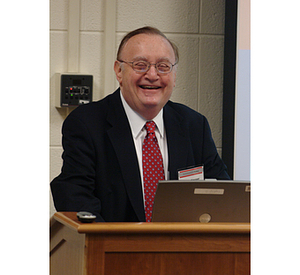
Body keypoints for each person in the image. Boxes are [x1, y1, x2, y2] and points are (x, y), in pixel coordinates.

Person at [51, 26, 230, 222]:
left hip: (182, 250)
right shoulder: (87, 124)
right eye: (140, 65)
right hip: (113, 250)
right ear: (119, 71)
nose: (152, 75)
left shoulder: (194, 125)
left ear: (174, 75)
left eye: (163, 66)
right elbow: (77, 200)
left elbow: (224, 199)